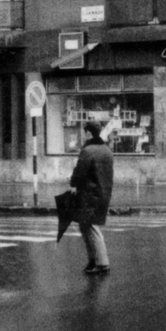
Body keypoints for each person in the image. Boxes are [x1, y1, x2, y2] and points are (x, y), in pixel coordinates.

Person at [70, 118, 114, 276]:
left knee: (91, 227)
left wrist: (73, 181)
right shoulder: (107, 150)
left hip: (90, 194)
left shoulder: (88, 151)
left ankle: (102, 263)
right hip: (103, 193)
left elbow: (80, 171)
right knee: (85, 226)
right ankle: (93, 260)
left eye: (84, 132)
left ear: (88, 133)